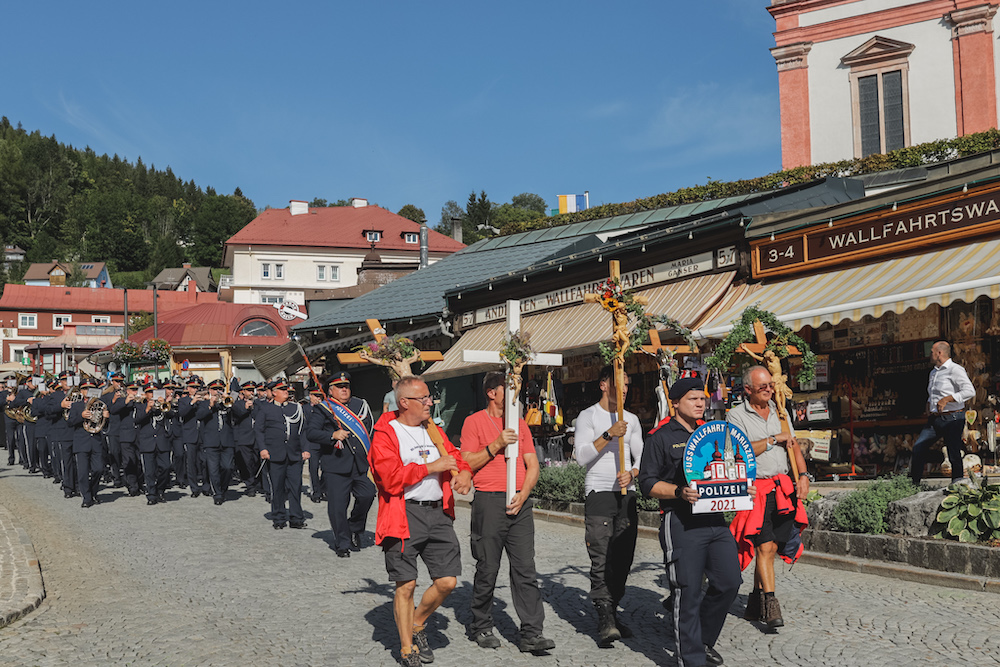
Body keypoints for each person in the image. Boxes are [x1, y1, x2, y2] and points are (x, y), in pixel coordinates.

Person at [639, 377, 745, 667]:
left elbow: (728, 466)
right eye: (693, 399)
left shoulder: (710, 433)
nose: (700, 404)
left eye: (703, 398)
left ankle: (703, 639)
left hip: (715, 520)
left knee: (729, 582)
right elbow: (646, 483)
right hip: (681, 522)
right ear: (675, 403)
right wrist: (677, 491)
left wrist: (742, 486)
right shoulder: (660, 436)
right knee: (687, 591)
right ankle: (692, 658)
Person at [369, 376, 472, 667]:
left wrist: (463, 474)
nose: (430, 402)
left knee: (447, 581)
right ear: (404, 403)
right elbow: (388, 479)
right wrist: (430, 467)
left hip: (438, 513)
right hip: (404, 514)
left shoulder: (433, 429)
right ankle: (406, 648)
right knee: (407, 585)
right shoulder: (385, 433)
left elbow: (454, 457)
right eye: (424, 398)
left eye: (430, 397)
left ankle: (417, 622)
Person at [459, 372, 553, 653]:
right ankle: (481, 625)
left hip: (520, 502)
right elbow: (467, 461)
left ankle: (532, 633)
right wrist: (497, 444)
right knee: (487, 567)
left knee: (526, 569)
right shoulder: (473, 422)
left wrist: (524, 493)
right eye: (509, 388)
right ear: (491, 392)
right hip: (489, 500)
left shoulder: (520, 424)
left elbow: (533, 464)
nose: (516, 394)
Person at [726, 365, 808, 629]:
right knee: (762, 545)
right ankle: (771, 605)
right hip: (756, 489)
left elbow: (793, 445)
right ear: (748, 389)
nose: (769, 390)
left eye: (770, 385)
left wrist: (804, 476)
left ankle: (754, 603)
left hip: (781, 487)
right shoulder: (736, 416)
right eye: (763, 387)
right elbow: (739, 451)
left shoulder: (780, 411)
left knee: (772, 547)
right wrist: (773, 439)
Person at [573, 364, 643, 647]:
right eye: (618, 384)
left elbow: (642, 457)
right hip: (600, 491)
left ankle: (612, 611)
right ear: (603, 385)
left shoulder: (633, 419)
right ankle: (604, 618)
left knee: (623, 558)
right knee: (601, 557)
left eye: (626, 384)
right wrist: (609, 434)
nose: (623, 389)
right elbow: (581, 456)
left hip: (626, 492)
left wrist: (634, 472)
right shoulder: (588, 416)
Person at [306, 371, 376, 558]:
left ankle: (354, 527)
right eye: (339, 387)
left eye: (346, 386)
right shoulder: (323, 408)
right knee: (338, 507)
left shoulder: (360, 405)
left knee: (368, 494)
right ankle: (342, 542)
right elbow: (311, 433)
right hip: (336, 465)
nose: (344, 389)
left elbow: (370, 430)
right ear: (331, 390)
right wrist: (332, 435)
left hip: (359, 465)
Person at [910, 340, 976, 486]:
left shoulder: (955, 369)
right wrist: (929, 404)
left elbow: (970, 391)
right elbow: (933, 394)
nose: (930, 355)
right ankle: (913, 484)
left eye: (932, 352)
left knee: (953, 453)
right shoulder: (934, 372)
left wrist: (947, 399)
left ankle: (958, 485)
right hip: (935, 419)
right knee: (918, 448)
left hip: (953, 417)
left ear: (939, 353)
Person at [255, 379, 309, 529]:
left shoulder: (296, 408)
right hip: (275, 454)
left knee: (295, 487)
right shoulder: (265, 409)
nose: (287, 391)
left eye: (287, 389)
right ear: (274, 393)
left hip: (294, 454)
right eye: (282, 389)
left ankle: (296, 518)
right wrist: (263, 449)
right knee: (277, 488)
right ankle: (278, 518)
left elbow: (303, 430)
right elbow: (259, 430)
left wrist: (306, 449)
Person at [65, 378, 110, 508]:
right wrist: (81, 416)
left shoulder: (101, 404)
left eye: (90, 389)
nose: (87, 391)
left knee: (98, 469)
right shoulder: (76, 405)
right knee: (83, 472)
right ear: (81, 391)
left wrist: (106, 418)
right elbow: (70, 422)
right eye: (85, 389)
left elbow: (104, 426)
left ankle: (93, 491)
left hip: (96, 440)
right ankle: (87, 497)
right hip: (81, 441)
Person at [136, 382, 171, 505]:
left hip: (162, 442)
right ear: (145, 395)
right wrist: (147, 409)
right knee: (149, 471)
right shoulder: (140, 406)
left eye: (154, 392)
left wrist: (165, 404)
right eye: (150, 392)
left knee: (166, 467)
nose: (152, 395)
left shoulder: (163, 405)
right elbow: (137, 420)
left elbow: (173, 416)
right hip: (147, 442)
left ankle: (160, 489)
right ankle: (151, 494)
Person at [112, 380, 143, 496]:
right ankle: (132, 486)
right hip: (126, 436)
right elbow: (113, 410)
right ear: (128, 390)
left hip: (140, 435)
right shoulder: (121, 400)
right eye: (133, 390)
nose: (135, 392)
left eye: (137, 390)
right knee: (129, 462)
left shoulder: (141, 401)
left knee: (140, 461)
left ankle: (140, 483)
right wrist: (126, 401)